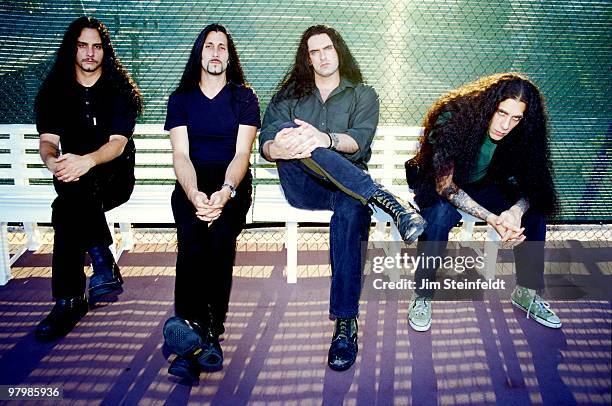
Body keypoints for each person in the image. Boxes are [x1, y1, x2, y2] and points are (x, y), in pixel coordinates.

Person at [259, 25, 426, 372]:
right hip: (302, 185)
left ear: (340, 51)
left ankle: (345, 325)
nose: (322, 56)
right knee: (301, 140)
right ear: (306, 58)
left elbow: (358, 143)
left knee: (351, 207)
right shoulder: (290, 93)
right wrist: (281, 146)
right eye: (314, 51)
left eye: (327, 49)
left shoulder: (363, 95)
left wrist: (325, 139)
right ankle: (387, 201)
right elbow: (267, 142)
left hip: (347, 188)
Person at [406, 72, 561, 331]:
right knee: (439, 217)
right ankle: (422, 293)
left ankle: (526, 292)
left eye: (516, 118)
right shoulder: (453, 115)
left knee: (534, 215)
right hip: (437, 183)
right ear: (489, 104)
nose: (505, 125)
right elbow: (445, 186)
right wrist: (491, 218)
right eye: (501, 113)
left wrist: (514, 211)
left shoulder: (524, 132)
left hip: (482, 183)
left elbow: (536, 185)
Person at [34, 17, 142, 341]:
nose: (90, 53)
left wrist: (86, 161)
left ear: (105, 52)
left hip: (113, 176)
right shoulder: (55, 91)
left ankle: (71, 299)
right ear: (73, 49)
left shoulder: (119, 90)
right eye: (83, 45)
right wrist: (53, 162)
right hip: (71, 176)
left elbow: (117, 144)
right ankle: (99, 265)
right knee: (70, 203)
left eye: (97, 46)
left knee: (67, 203)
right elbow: (49, 142)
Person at [161, 24, 259, 381]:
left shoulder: (244, 98)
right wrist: (193, 194)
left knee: (218, 241)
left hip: (230, 184)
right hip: (191, 183)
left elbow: (241, 153)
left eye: (222, 47)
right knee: (191, 241)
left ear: (229, 56)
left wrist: (226, 191)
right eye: (209, 46)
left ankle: (200, 338)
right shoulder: (181, 99)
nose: (215, 52)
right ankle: (200, 340)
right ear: (199, 54)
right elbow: (181, 156)